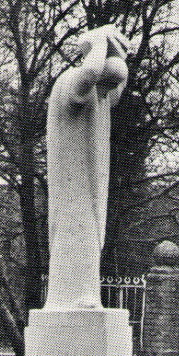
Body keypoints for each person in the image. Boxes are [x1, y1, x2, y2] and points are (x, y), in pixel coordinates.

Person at [44, 25, 131, 310]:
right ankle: (71, 297)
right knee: (75, 232)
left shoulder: (101, 95)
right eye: (107, 82)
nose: (110, 91)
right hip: (72, 185)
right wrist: (96, 40)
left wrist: (114, 48)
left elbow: (118, 80)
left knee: (91, 235)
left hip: (90, 186)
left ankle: (83, 294)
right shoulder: (72, 83)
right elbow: (92, 72)